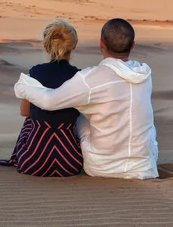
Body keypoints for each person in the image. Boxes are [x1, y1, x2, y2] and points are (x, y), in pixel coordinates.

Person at [14, 18, 158, 179]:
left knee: (79, 116)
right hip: (144, 166)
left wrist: (22, 87)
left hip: (102, 167)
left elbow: (48, 102)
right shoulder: (145, 75)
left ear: (101, 43)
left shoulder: (90, 78)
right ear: (133, 45)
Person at [0, 19, 83, 177]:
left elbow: (24, 112)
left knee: (30, 120)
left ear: (46, 46)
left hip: (33, 162)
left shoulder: (35, 73)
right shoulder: (80, 76)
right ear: (74, 46)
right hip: (69, 163)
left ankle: (18, 156)